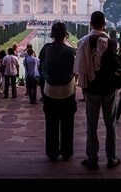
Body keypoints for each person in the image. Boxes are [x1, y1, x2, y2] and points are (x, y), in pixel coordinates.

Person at [74, 11, 121, 170]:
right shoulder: (112, 42)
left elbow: (80, 68)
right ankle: (112, 158)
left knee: (92, 125)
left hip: (92, 89)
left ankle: (92, 157)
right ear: (104, 24)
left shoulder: (83, 42)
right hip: (109, 89)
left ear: (90, 24)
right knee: (110, 125)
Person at [40, 22, 76, 162]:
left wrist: (47, 78)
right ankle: (67, 152)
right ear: (65, 34)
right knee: (67, 123)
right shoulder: (68, 51)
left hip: (50, 91)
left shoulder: (46, 49)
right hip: (67, 90)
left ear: (52, 34)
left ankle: (52, 152)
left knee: (51, 123)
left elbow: (41, 66)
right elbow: (74, 69)